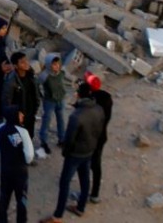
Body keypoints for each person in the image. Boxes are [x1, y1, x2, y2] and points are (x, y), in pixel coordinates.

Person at [47, 82, 105, 222]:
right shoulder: (99, 109)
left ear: (79, 95)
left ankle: (57, 216)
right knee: (84, 178)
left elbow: (69, 139)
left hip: (75, 154)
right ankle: (80, 207)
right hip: (90, 150)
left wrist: (65, 153)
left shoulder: (76, 116)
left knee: (64, 182)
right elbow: (100, 131)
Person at [0, 106, 34, 223]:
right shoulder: (23, 132)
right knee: (21, 198)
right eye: (20, 114)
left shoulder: (0, 128)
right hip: (20, 171)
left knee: (4, 196)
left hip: (5, 168)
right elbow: (29, 155)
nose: (22, 116)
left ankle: (2, 220)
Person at [83, 73, 112, 205]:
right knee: (96, 165)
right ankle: (95, 193)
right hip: (101, 136)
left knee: (84, 164)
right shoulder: (107, 97)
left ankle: (84, 195)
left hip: (89, 137)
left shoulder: (89, 100)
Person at [2, 52, 40, 142]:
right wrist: (14, 115)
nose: (26, 63)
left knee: (29, 138)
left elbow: (36, 92)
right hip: (18, 117)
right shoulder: (11, 81)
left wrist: (36, 108)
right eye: (22, 62)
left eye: (26, 60)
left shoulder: (31, 74)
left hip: (30, 114)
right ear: (15, 66)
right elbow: (6, 101)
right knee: (17, 141)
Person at [37, 54, 68, 155]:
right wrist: (41, 95)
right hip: (49, 101)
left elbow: (67, 78)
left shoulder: (61, 72)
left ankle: (62, 139)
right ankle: (43, 141)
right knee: (46, 120)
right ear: (49, 65)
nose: (56, 66)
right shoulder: (44, 75)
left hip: (61, 99)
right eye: (54, 64)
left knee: (61, 120)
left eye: (57, 64)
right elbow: (36, 85)